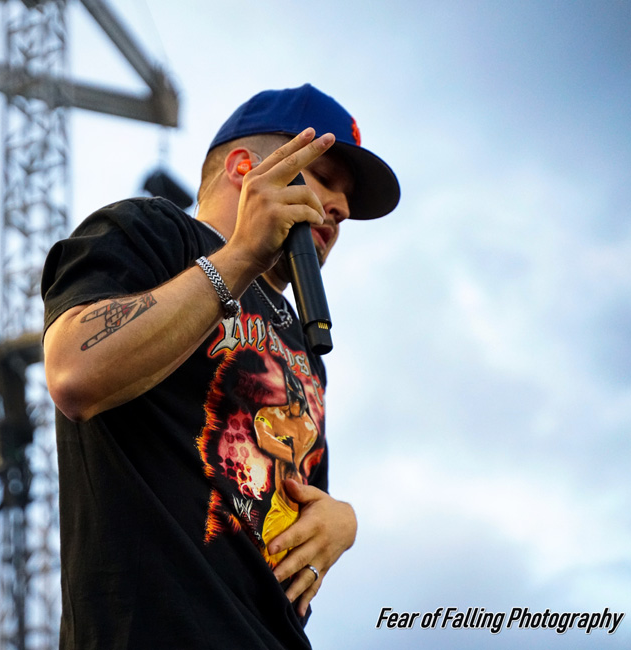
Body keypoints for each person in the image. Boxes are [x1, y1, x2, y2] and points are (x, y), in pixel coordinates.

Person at [41, 84, 400, 649]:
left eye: (347, 201)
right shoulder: (152, 231)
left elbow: (274, 511)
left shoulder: (301, 338)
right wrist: (236, 260)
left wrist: (339, 521)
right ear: (243, 168)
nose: (342, 208)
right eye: (326, 176)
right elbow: (73, 371)